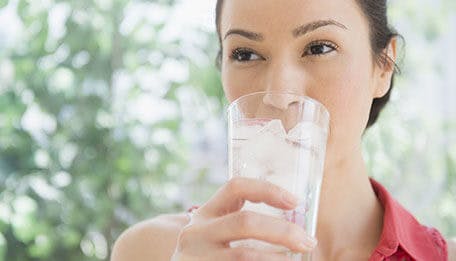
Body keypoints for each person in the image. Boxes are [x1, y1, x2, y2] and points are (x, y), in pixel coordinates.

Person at [111, 0, 456, 260]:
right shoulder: (151, 250)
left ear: (382, 66)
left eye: (319, 48)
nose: (279, 94)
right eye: (245, 54)